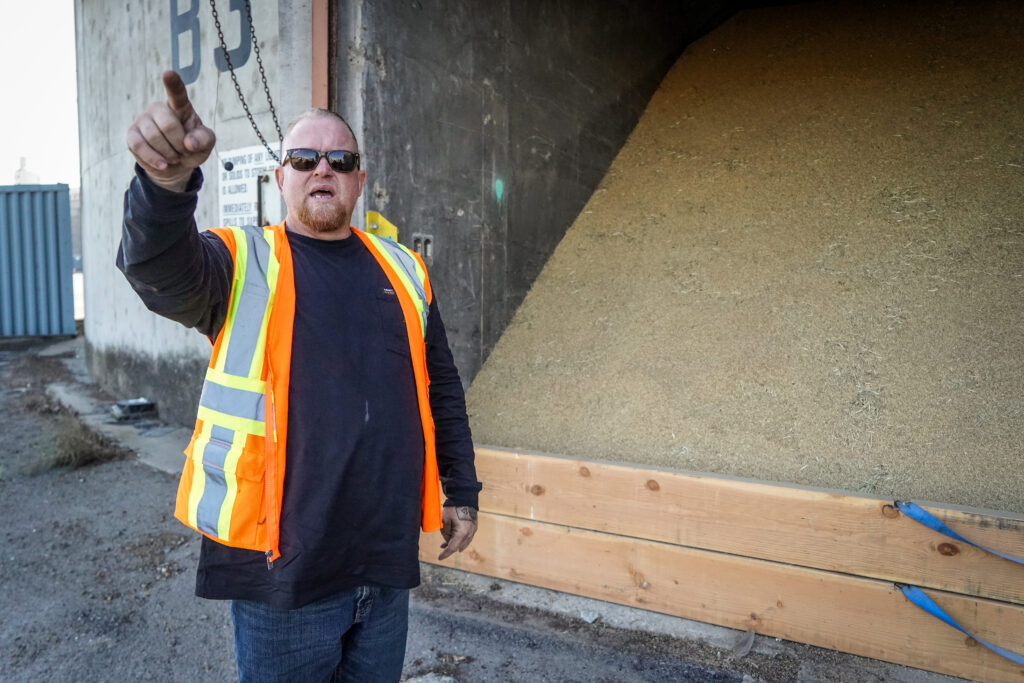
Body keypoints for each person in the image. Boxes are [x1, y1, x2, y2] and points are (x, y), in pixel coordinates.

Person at [118, 70, 481, 682]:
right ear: (281, 176)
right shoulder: (240, 261)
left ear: (358, 180)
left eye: (340, 159)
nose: (323, 170)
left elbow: (441, 386)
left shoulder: (405, 270)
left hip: (385, 564)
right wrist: (165, 185)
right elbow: (158, 269)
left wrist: (462, 491)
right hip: (282, 577)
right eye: (304, 158)